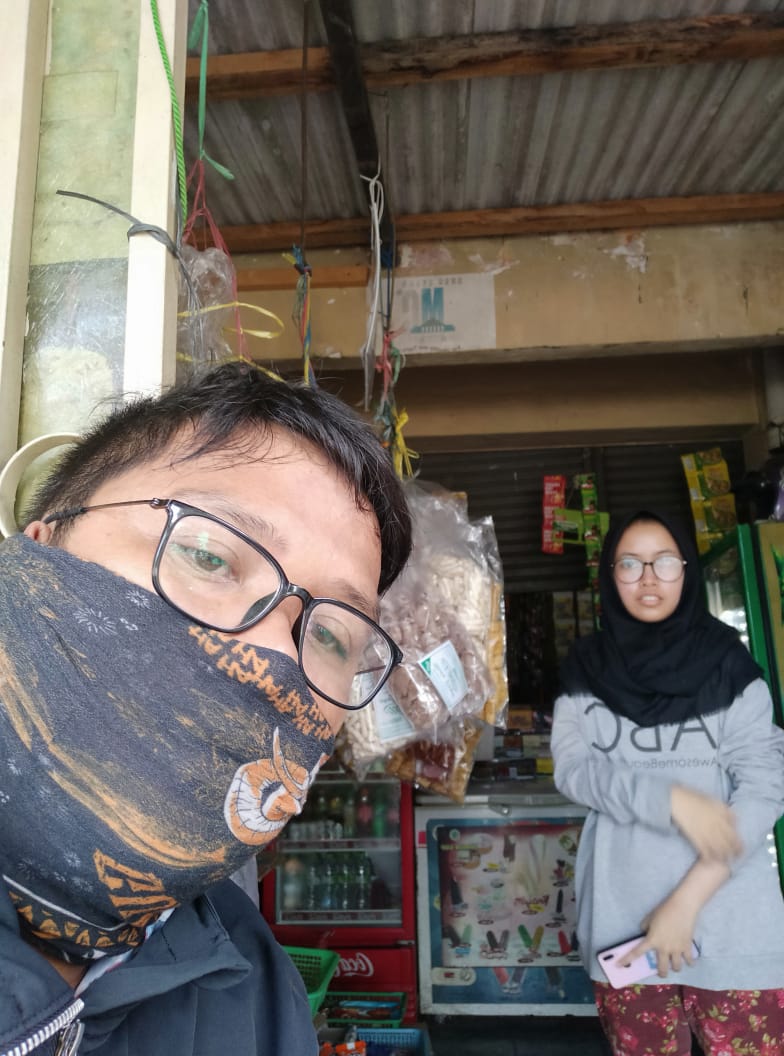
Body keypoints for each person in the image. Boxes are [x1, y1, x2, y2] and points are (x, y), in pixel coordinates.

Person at [0, 361, 412, 1055]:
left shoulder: (257, 1001)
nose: (276, 657)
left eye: (332, 636)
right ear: (39, 552)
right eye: (211, 555)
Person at [551, 508, 784, 1056]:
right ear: (610, 575)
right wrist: (669, 800)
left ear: (687, 570)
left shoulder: (731, 666)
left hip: (733, 927)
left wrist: (685, 904)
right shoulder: (585, 667)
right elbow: (573, 769)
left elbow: (764, 788)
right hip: (624, 928)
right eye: (630, 564)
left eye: (665, 562)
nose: (649, 578)